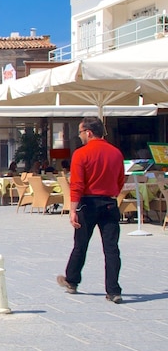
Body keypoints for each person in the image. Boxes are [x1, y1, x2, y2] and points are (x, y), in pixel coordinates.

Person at [57, 116, 126, 304]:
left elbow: (77, 184)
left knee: (81, 245)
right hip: (109, 203)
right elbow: (121, 180)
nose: (79, 136)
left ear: (88, 132)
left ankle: (72, 280)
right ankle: (113, 290)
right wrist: (112, 193)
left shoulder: (81, 154)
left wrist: (72, 209)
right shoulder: (116, 153)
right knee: (112, 248)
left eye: (80, 132)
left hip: (87, 204)